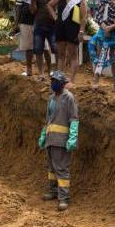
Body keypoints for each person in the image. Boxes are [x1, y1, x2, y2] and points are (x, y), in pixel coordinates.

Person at [37, 71, 79, 211]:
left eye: (55, 81)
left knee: (61, 169)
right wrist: (43, 134)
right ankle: (53, 191)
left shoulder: (69, 98)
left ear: (62, 83)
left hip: (61, 140)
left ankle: (63, 197)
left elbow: (74, 119)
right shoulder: (51, 98)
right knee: (51, 168)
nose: (53, 84)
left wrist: (72, 137)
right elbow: (48, 119)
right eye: (52, 81)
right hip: (50, 138)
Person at [47, 0, 87, 84]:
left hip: (73, 28)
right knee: (61, 54)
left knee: (73, 54)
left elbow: (83, 18)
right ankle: (60, 78)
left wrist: (81, 31)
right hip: (60, 27)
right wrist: (55, 17)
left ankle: (72, 80)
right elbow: (49, 5)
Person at [30, 0, 60, 78]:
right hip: (39, 25)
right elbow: (33, 11)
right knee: (38, 50)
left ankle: (57, 72)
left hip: (53, 26)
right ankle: (41, 73)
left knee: (56, 49)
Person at [15, 0, 40, 77]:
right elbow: (18, 7)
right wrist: (16, 23)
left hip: (39, 22)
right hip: (25, 21)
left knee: (41, 47)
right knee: (28, 47)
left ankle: (42, 71)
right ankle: (29, 70)